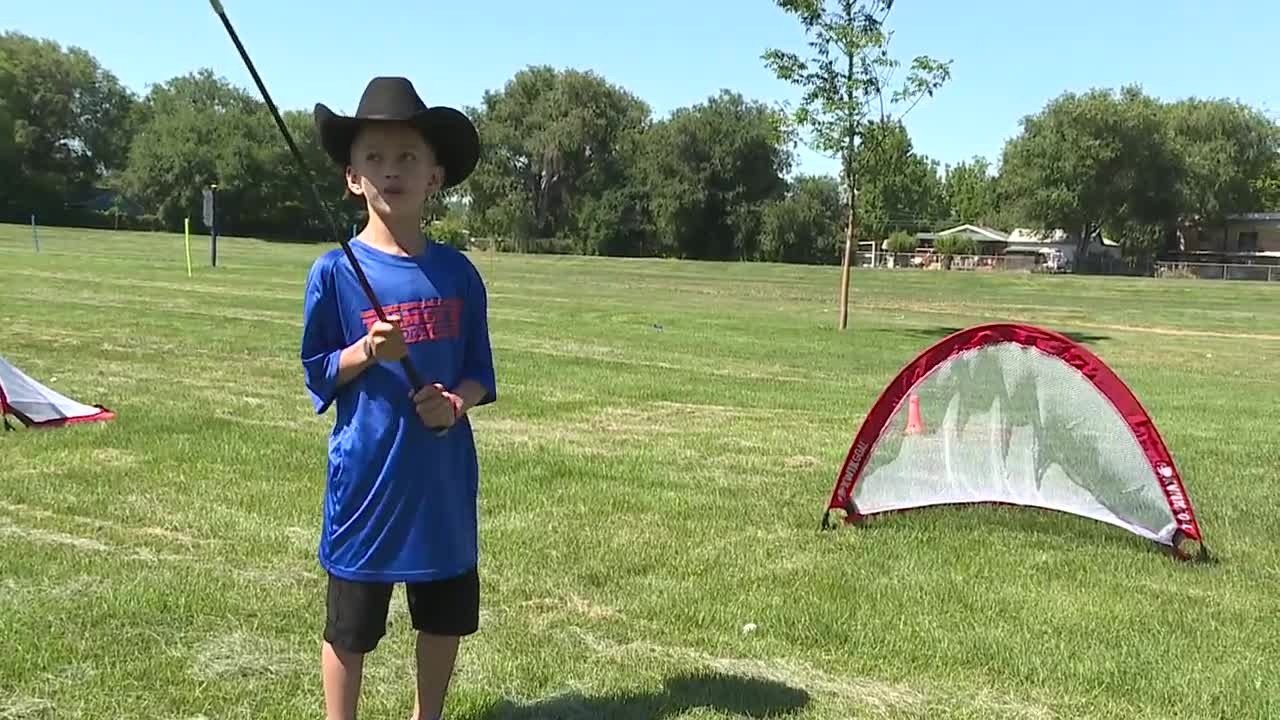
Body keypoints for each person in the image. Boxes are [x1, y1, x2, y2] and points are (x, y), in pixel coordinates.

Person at [299, 76, 495, 720]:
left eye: (408, 157)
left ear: (435, 176)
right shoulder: (334, 272)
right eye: (374, 158)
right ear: (352, 177)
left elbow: (478, 371)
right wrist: (364, 353)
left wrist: (455, 404)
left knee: (443, 617)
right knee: (349, 626)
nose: (391, 171)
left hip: (440, 481)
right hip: (367, 480)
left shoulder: (458, 273)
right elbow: (318, 372)